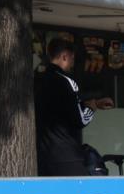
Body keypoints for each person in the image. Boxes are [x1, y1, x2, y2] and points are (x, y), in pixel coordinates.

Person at [34, 37, 113, 176]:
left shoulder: (38, 80)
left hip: (41, 155)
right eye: (72, 59)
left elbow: (58, 108)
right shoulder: (66, 81)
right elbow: (80, 120)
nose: (72, 64)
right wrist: (93, 106)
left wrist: (85, 103)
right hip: (66, 156)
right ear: (64, 57)